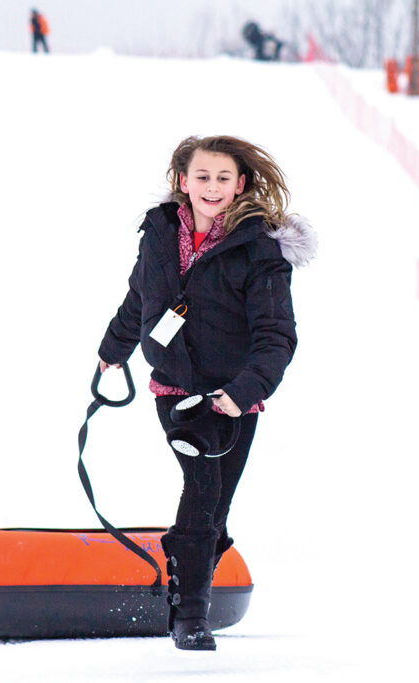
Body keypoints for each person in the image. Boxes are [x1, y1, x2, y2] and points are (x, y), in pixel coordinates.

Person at [97, 135, 316, 651]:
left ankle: (184, 586)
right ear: (182, 181)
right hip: (176, 389)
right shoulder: (158, 235)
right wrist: (114, 348)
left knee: (216, 506)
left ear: (240, 184)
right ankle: (190, 616)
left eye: (223, 178)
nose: (211, 187)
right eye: (202, 177)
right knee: (202, 490)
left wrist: (243, 392)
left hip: (234, 394)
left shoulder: (258, 249)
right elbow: (139, 298)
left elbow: (276, 335)